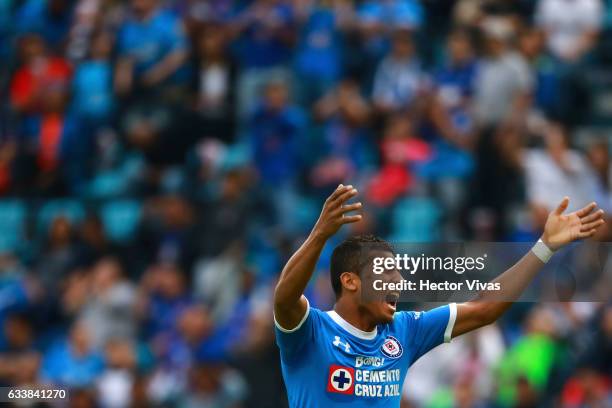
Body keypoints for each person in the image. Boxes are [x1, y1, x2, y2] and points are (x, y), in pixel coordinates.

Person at [273, 184, 605, 407]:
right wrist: (319, 235)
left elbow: (484, 308)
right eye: (385, 273)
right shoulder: (312, 332)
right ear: (350, 281)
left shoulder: (404, 330)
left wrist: (544, 247)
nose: (397, 281)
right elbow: (285, 299)